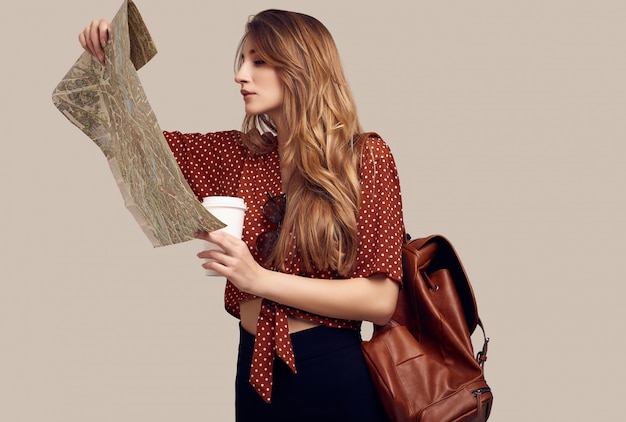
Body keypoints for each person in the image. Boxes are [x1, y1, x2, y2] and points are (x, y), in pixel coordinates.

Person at [80, 9, 404, 422]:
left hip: (332, 374)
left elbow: (380, 300)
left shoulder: (366, 158)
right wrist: (112, 63)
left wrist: (258, 280)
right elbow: (141, 147)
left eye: (259, 61)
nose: (240, 74)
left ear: (301, 67)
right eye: (243, 60)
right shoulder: (239, 156)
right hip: (253, 369)